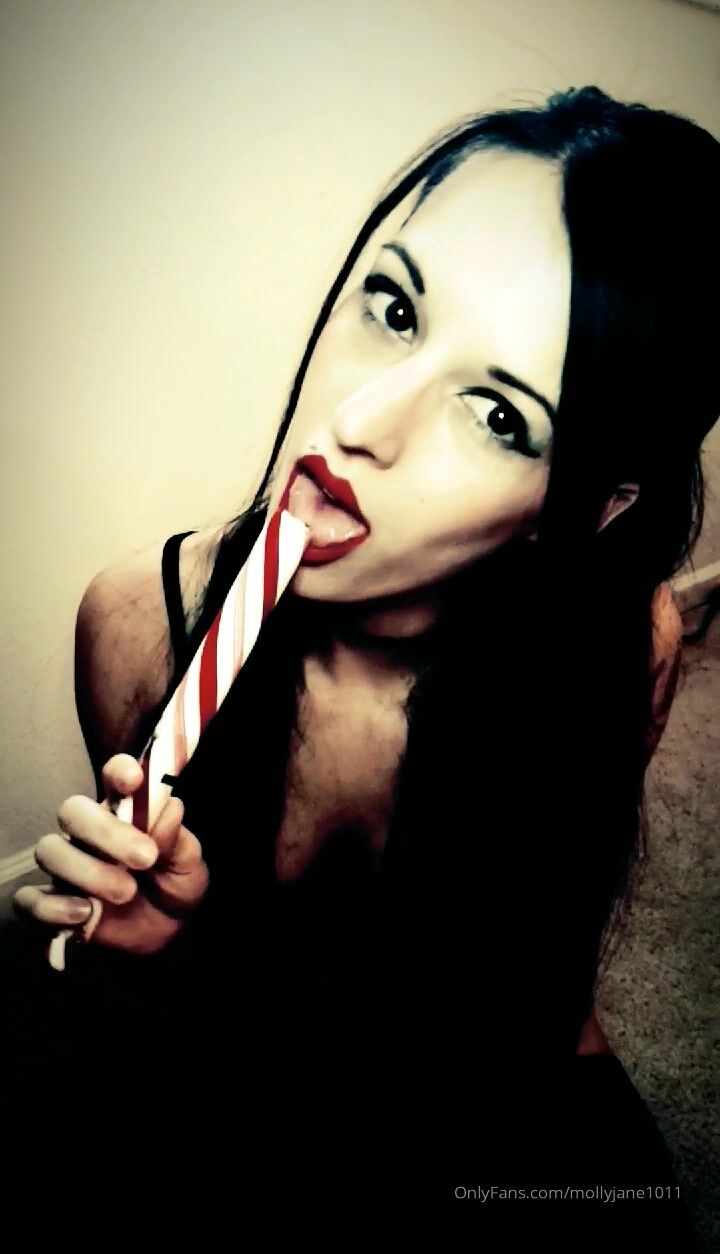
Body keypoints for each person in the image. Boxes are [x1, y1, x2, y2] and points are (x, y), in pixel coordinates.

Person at [3, 86, 716, 1230]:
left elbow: (540, 983)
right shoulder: (140, 627)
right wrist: (136, 949)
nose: (361, 424)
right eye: (394, 307)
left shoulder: (625, 648)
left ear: (591, 509)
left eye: (500, 416)